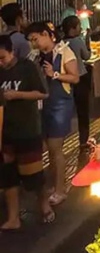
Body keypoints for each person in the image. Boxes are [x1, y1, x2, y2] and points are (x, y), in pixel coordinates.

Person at [0, 34, 53, 228]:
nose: (1, 62)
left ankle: (44, 205)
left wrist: (17, 95)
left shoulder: (27, 68)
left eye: (2, 57)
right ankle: (13, 218)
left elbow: (43, 92)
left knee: (34, 176)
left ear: (12, 51)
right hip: (5, 132)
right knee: (8, 176)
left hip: (27, 129)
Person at [26, 21, 80, 207]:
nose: (34, 44)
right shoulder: (35, 56)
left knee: (56, 148)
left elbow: (75, 77)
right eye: (31, 41)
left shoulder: (64, 51)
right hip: (43, 105)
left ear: (46, 34)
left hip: (60, 104)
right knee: (48, 148)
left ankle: (60, 189)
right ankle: (54, 185)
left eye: (35, 39)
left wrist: (55, 74)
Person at [61, 16, 92, 150]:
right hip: (81, 78)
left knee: (67, 110)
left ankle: (61, 141)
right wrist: (87, 39)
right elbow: (87, 56)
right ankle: (83, 140)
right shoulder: (77, 41)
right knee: (83, 111)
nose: (81, 28)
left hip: (66, 79)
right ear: (73, 29)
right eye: (79, 26)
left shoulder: (61, 43)